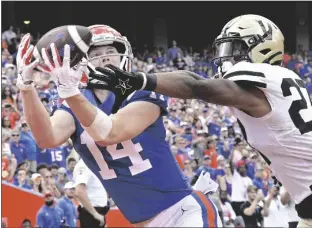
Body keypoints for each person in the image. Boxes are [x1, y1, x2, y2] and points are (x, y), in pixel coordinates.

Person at [91, 14, 312, 227]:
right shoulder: (280, 85)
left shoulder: (254, 90)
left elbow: (196, 86)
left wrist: (141, 79)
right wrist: (304, 167)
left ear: (262, 48)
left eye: (236, 48)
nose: (228, 55)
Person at [17, 25, 221, 227]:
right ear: (80, 61)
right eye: (96, 53)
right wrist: (26, 87)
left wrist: (71, 93)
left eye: (111, 51)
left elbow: (110, 132)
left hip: (183, 213)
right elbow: (47, 138)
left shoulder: (141, 92)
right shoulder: (75, 102)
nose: (105, 57)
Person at [73, 159, 109, 228]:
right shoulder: (83, 165)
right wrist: (95, 213)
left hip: (98, 212)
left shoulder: (95, 164)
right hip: (91, 213)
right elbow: (79, 192)